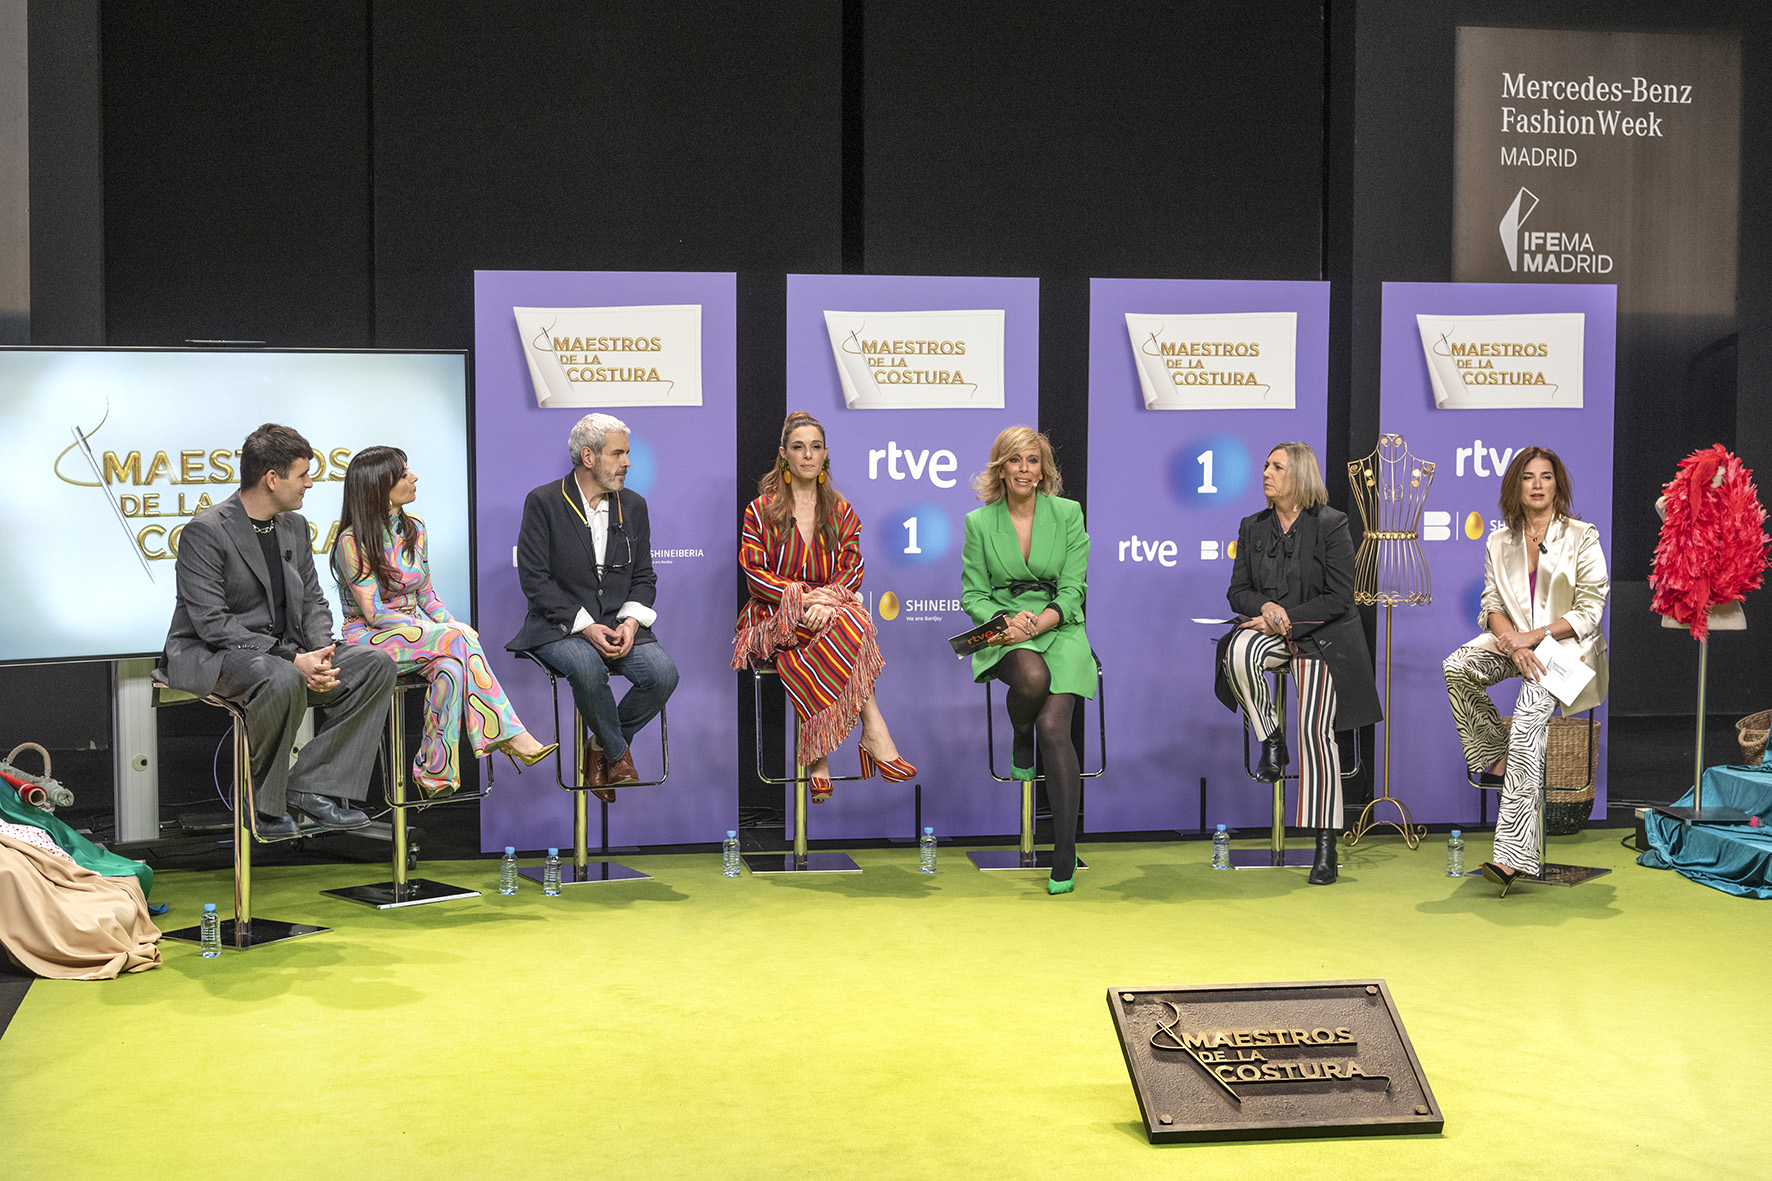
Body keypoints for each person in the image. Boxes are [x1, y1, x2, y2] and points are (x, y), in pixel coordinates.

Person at [161, 423, 396, 839]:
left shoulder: (294, 526)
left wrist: (322, 651)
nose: (310, 483)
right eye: (302, 474)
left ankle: (310, 787)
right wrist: (293, 657)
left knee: (375, 664)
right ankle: (260, 803)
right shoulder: (207, 530)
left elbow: (313, 601)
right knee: (282, 674)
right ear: (272, 478)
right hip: (216, 653)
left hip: (288, 653)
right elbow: (211, 623)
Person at [332, 447, 557, 799]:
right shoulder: (351, 541)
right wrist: (446, 633)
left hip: (415, 635)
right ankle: (510, 734)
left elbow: (427, 595)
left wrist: (451, 624)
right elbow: (373, 612)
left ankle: (434, 773)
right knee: (454, 642)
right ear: (379, 486)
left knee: (452, 669)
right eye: (404, 474)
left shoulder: (415, 529)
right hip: (369, 637)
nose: (414, 478)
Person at [1443, 446, 1608, 896]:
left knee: (1528, 726)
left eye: (1546, 476)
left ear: (1558, 485)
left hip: (1565, 652)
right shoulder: (1499, 541)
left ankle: (1511, 858)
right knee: (1457, 666)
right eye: (1528, 477)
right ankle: (1492, 755)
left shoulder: (1581, 535)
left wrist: (1529, 639)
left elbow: (1590, 611)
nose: (1537, 484)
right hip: (1513, 643)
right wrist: (1511, 642)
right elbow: (1491, 606)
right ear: (1516, 485)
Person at [1215, 441, 1382, 885]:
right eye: (1266, 466)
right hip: (1273, 632)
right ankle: (1271, 738)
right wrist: (1268, 608)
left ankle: (1325, 846)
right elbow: (1238, 593)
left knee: (1315, 732)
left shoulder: (1331, 524)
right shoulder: (1252, 526)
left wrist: (1288, 619)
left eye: (1276, 467)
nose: (1266, 473)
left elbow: (1339, 596)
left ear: (1299, 476)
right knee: (1236, 650)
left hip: (1321, 639)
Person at [732, 411, 914, 802]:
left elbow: (853, 569)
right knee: (849, 625)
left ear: (825, 454)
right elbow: (754, 574)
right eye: (798, 447)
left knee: (851, 620)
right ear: (784, 455)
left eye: (815, 447)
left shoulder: (842, 511)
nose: (807, 455)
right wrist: (803, 598)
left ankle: (820, 753)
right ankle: (870, 731)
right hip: (773, 614)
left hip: (829, 613)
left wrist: (828, 602)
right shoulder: (759, 510)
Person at [507, 413, 679, 803]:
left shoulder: (634, 506)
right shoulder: (544, 502)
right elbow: (535, 580)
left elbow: (645, 577)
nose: (627, 463)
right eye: (618, 454)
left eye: (627, 453)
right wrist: (585, 626)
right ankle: (617, 754)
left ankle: (598, 748)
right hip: (559, 626)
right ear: (588, 456)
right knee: (587, 665)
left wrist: (632, 623)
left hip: (619, 624)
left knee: (663, 674)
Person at [960, 426, 1093, 895]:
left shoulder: (1068, 514)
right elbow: (972, 594)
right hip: (1007, 631)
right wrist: (1005, 619)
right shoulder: (980, 523)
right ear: (1001, 467)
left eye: (1032, 460)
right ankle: (1020, 734)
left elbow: (1075, 587)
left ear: (1043, 469)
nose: (1024, 469)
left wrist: (1045, 620)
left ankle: (1063, 849)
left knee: (1055, 728)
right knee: (1031, 678)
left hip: (1060, 626)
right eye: (1014, 460)